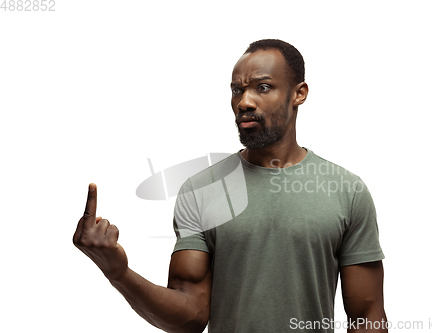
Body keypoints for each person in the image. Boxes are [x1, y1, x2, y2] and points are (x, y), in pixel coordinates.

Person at [73, 39, 388, 333]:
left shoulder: (346, 190)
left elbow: (368, 316)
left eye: (262, 88)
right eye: (237, 90)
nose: (245, 102)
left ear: (299, 93)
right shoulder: (203, 190)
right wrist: (118, 272)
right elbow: (190, 316)